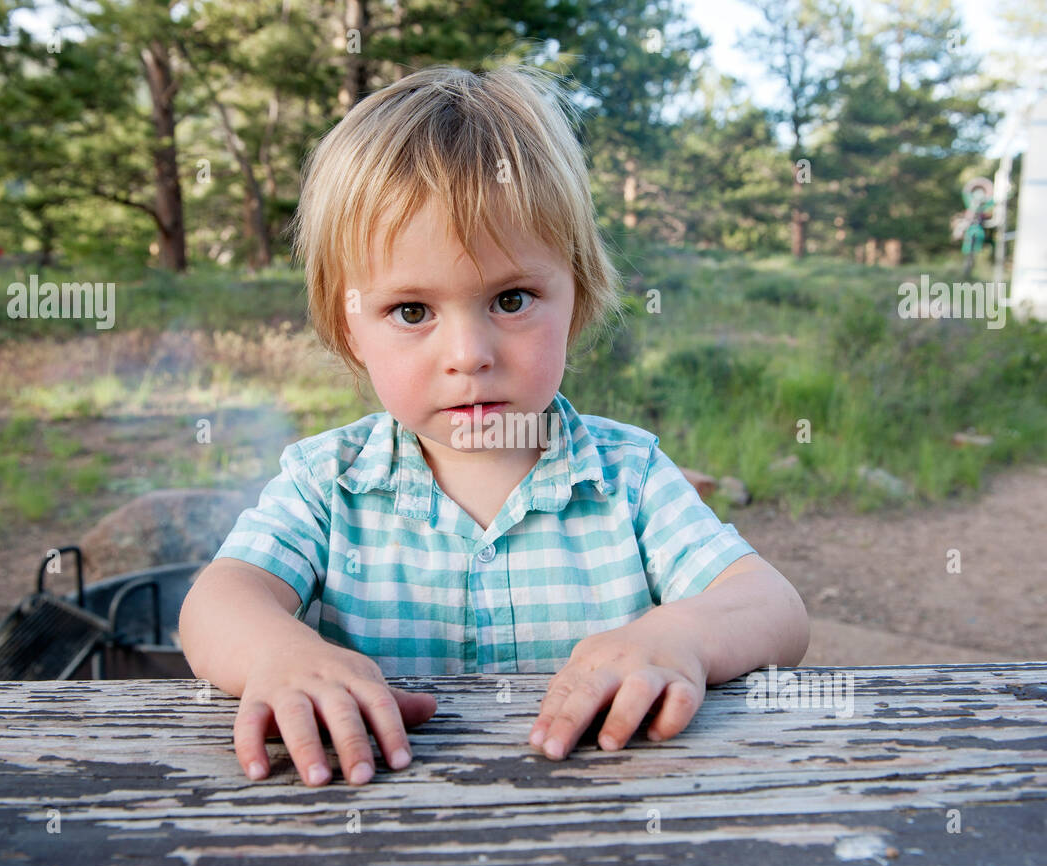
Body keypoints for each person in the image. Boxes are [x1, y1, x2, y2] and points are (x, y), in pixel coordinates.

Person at [177, 64, 809, 788]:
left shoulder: (628, 479)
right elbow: (216, 601)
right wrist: (277, 654)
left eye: (511, 298)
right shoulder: (328, 483)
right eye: (412, 311)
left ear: (576, 295)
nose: (469, 356)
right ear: (350, 327)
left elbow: (774, 608)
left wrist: (681, 636)